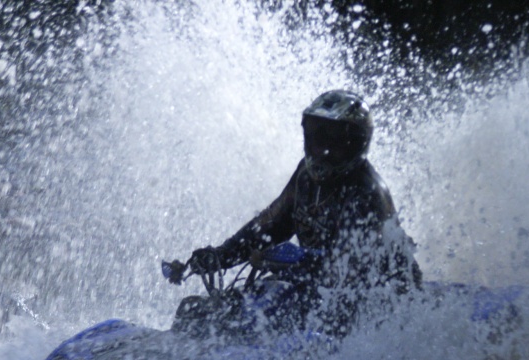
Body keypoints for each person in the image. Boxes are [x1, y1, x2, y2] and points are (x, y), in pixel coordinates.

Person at [171, 89, 420, 335]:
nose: (323, 149)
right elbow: (269, 227)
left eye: (334, 142)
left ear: (356, 144)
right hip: (311, 292)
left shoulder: (367, 193)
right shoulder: (305, 175)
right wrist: (220, 256)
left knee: (271, 316)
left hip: (365, 306)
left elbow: (349, 270)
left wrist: (293, 260)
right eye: (317, 136)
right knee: (197, 311)